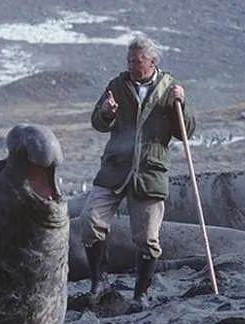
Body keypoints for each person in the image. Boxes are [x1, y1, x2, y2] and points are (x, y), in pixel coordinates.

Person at [81, 35, 195, 308]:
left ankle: (141, 293)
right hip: (114, 170)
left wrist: (182, 104)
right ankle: (100, 280)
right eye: (129, 60)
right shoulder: (117, 86)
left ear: (153, 61)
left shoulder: (170, 89)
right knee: (90, 221)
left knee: (147, 239)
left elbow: (185, 132)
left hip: (149, 173)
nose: (132, 66)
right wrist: (107, 112)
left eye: (138, 61)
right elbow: (98, 122)